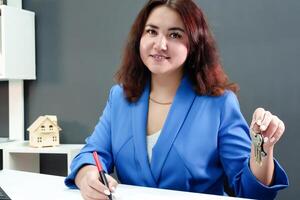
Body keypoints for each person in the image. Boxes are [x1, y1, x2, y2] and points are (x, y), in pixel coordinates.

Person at [65, 0, 289, 199]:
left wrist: (262, 147)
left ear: (193, 45)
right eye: (151, 31)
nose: (160, 45)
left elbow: (250, 191)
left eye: (175, 35)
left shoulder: (220, 104)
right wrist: (87, 176)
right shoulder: (119, 97)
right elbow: (92, 153)